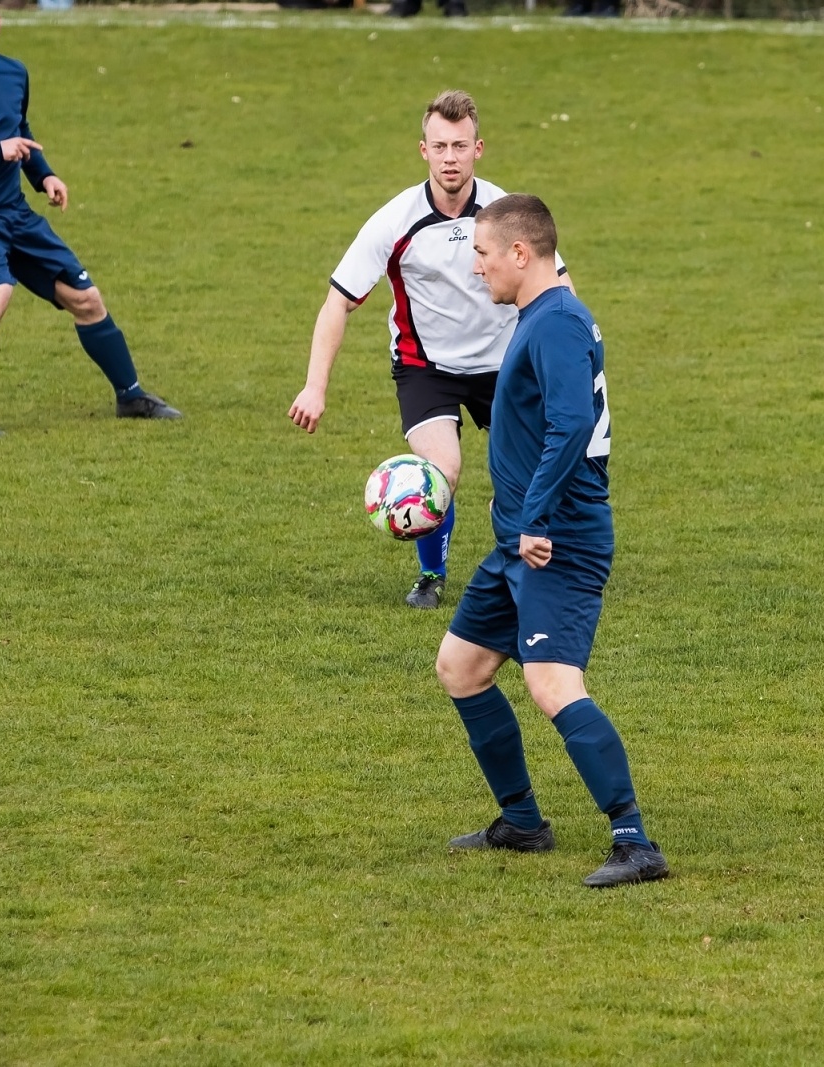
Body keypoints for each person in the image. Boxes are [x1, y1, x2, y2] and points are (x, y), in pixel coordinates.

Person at [435, 195, 670, 889]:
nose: (475, 268)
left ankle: (636, 842)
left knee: (552, 682)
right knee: (461, 666)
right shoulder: (542, 318)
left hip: (556, 538)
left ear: (520, 253)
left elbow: (569, 426)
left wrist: (533, 514)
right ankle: (523, 822)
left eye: (481, 253)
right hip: (520, 535)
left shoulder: (558, 323)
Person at [289, 90, 572, 610]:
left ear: (478, 149)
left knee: (533, 471)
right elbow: (338, 302)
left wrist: (573, 362)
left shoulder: (505, 213)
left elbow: (559, 287)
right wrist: (315, 386)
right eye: (439, 146)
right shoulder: (395, 221)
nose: (449, 158)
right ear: (423, 150)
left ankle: (533, 557)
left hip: (505, 364)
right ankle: (431, 576)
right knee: (441, 471)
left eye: (459, 147)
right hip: (427, 368)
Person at [0, 0, 181, 438]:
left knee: (87, 299)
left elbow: (20, 130)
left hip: (13, 212)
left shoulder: (15, 73)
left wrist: (44, 175)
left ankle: (131, 396)